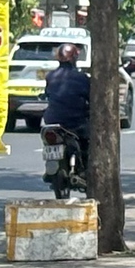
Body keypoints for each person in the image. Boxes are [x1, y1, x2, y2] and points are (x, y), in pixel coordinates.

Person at [41, 43, 91, 190]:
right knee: (87, 142)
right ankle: (85, 172)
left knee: (49, 142)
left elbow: (48, 93)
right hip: (75, 120)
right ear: (74, 58)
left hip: (52, 119)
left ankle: (50, 169)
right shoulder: (82, 78)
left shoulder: (50, 76)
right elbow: (90, 96)